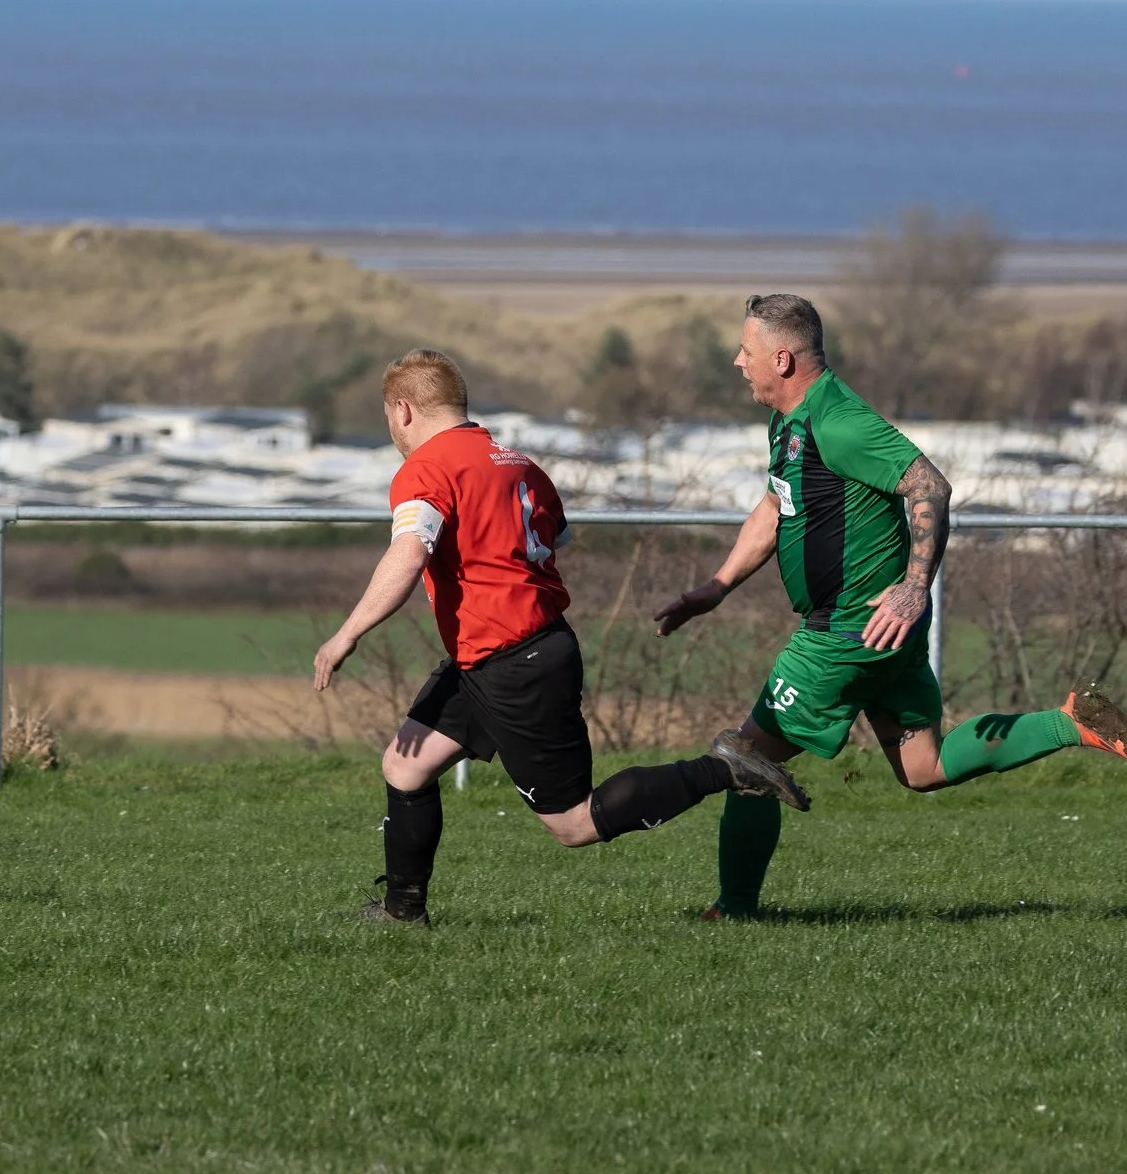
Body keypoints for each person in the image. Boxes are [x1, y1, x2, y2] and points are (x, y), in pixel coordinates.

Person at [633, 293, 1127, 920]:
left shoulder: (838, 422)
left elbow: (928, 484)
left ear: (781, 358)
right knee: (924, 766)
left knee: (749, 759)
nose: (735, 361)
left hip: (850, 631)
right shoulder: (792, 422)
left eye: (745, 352)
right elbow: (777, 507)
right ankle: (1070, 723)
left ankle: (735, 910)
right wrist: (716, 587)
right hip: (885, 632)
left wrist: (915, 586)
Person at [313, 349, 789, 926]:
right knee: (404, 767)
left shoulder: (426, 469)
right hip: (497, 653)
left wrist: (346, 633)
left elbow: (409, 554)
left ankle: (727, 767)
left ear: (403, 410)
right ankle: (403, 911)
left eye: (389, 419)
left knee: (574, 824)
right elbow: (553, 540)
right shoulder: (519, 463)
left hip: (516, 662)